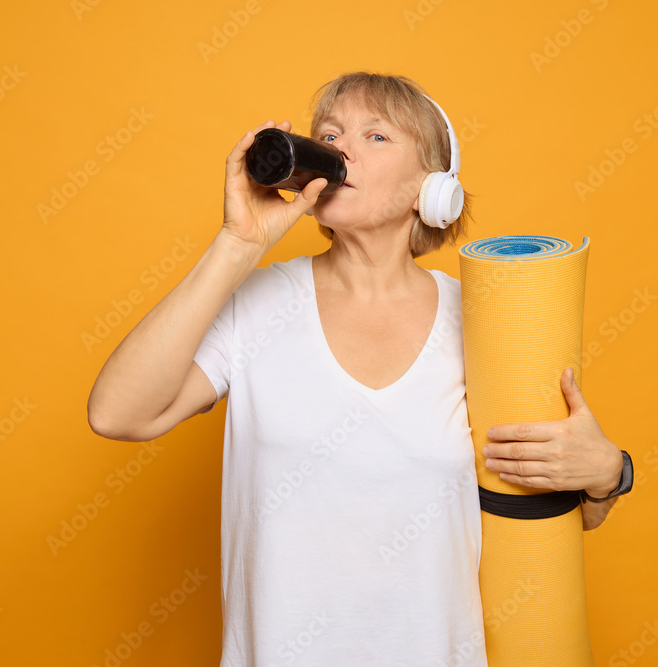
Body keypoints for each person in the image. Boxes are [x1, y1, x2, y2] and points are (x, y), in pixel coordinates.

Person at [87, 71, 624, 666]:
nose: (342, 148)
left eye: (376, 136)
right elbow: (117, 414)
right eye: (331, 133)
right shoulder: (258, 302)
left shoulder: (480, 318)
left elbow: (550, 506)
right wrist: (238, 246)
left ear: (434, 186)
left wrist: (606, 474)